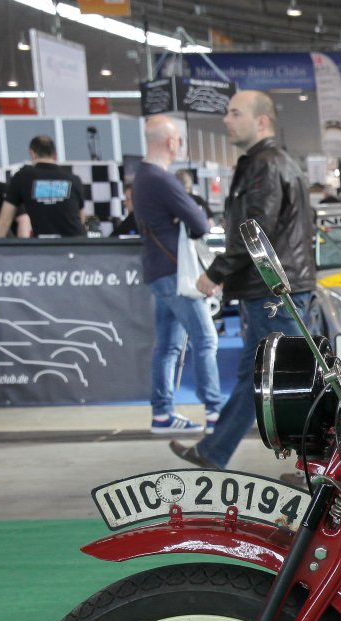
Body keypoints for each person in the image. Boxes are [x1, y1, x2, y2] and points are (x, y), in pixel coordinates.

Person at [169, 90, 314, 471]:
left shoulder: (265, 165)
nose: (226, 120)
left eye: (235, 113)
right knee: (262, 378)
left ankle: (319, 467)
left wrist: (216, 272)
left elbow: (255, 232)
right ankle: (214, 451)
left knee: (294, 381)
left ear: (261, 121)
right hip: (275, 289)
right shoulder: (270, 162)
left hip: (274, 291)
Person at [132, 114, 222, 436]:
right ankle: (214, 412)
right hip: (176, 273)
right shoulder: (160, 179)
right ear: (171, 142)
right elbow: (199, 222)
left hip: (160, 271)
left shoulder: (142, 178)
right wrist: (187, 218)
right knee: (205, 339)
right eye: (179, 140)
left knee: (168, 346)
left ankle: (162, 414)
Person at [0, 136, 88, 238]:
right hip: (75, 242)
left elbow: (4, 222)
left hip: (45, 244)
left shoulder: (22, 177)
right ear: (55, 155)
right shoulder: (73, 179)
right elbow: (82, 217)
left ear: (32, 154)